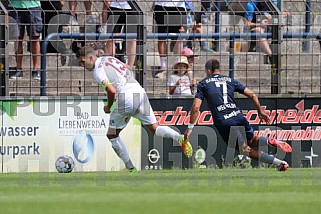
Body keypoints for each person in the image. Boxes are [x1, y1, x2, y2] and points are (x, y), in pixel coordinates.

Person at [76, 46, 193, 172]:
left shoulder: (98, 72)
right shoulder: (109, 58)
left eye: (83, 61)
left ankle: (131, 168)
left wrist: (108, 107)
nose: (82, 65)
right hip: (139, 92)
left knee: (112, 135)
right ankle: (179, 137)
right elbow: (127, 68)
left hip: (126, 98)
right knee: (155, 128)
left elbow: (111, 90)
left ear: (91, 57)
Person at [184, 59, 292, 171]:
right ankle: (270, 140)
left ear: (208, 70)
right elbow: (252, 94)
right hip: (238, 116)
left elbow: (196, 108)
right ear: (219, 69)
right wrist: (260, 111)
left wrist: (190, 128)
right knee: (252, 140)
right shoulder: (230, 80)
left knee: (244, 149)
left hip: (224, 121)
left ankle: (279, 163)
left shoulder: (203, 84)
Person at [7, 0, 42, 80]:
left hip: (33, 6)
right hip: (15, 6)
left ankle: (35, 70)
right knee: (17, 38)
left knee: (35, 38)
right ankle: (19, 69)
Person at [153, 0, 187, 78]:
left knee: (178, 37)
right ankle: (163, 67)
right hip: (161, 5)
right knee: (162, 37)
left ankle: (177, 66)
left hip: (178, 6)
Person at [101, 0, 139, 69]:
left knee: (132, 38)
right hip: (115, 6)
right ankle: (110, 64)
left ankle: (130, 66)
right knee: (110, 38)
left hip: (132, 7)